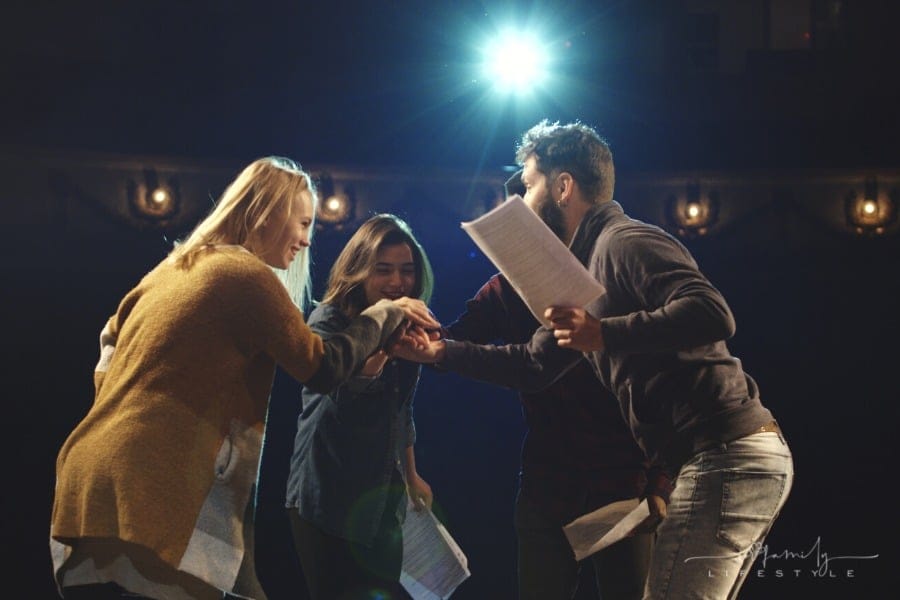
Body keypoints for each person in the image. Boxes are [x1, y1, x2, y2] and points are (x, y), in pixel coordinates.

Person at [395, 121, 794, 599]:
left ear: (563, 187)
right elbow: (535, 365)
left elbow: (712, 312)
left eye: (529, 185)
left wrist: (602, 333)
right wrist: (440, 350)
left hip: (726, 454)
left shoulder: (623, 240)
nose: (522, 202)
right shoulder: (582, 271)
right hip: (721, 460)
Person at [49, 157, 439, 600]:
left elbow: (109, 339)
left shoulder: (173, 267)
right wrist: (386, 313)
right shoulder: (244, 273)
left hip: (91, 473)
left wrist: (123, 413)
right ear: (269, 214)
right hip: (148, 483)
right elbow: (322, 367)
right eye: (303, 223)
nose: (307, 239)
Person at [442, 169, 670, 600]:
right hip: (547, 485)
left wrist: (660, 486)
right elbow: (454, 341)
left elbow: (661, 382)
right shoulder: (502, 290)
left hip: (624, 483)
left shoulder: (609, 273)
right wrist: (404, 325)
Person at [285, 214, 434, 600]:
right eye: (383, 270)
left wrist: (412, 476)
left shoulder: (407, 323)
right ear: (359, 271)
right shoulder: (329, 319)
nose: (397, 282)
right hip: (326, 496)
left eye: (406, 270)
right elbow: (332, 396)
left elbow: (402, 409)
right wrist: (373, 362)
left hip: (380, 498)